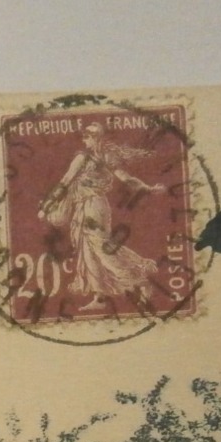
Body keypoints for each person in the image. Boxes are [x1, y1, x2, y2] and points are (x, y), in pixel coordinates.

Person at [38, 122, 165, 312]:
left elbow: (64, 182)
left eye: (88, 136)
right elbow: (127, 179)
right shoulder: (107, 156)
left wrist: (46, 207)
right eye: (85, 136)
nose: (85, 140)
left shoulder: (84, 158)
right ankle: (99, 297)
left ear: (96, 138)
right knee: (88, 251)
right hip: (92, 206)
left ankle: (139, 281)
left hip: (91, 207)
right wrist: (148, 188)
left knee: (102, 248)